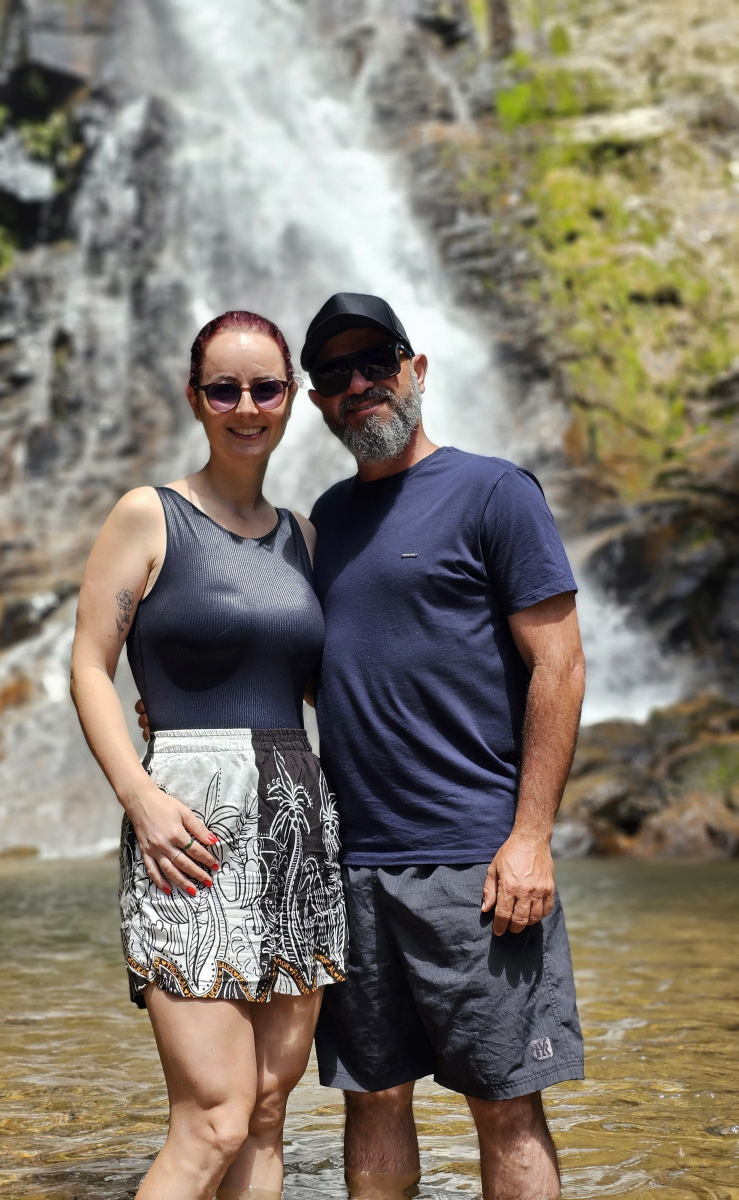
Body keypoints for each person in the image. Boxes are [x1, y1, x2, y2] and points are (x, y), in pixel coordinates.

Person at [301, 293, 585, 1200]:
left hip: (477, 862)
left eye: (376, 362)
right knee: (372, 1097)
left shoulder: (495, 491)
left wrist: (531, 834)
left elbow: (562, 666)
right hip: (355, 865)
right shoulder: (326, 520)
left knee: (506, 1104)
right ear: (316, 404)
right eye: (335, 375)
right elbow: (328, 673)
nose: (359, 386)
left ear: (416, 370)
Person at [70, 310, 347, 1200]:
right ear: (195, 399)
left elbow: (318, 686)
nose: (246, 406)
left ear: (292, 398)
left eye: (265, 387)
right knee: (214, 1117)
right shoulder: (147, 515)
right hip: (188, 826)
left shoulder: (303, 539)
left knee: (268, 1109)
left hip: (295, 826)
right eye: (223, 389)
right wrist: (139, 797)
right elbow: (87, 664)